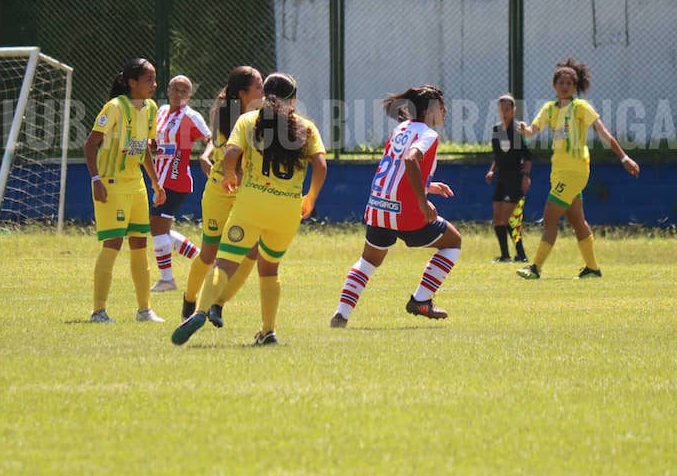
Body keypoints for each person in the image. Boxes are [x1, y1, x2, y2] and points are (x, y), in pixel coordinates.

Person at [172, 72, 327, 346]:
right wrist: (310, 197)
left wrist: (230, 175)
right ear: (294, 99)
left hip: (251, 204)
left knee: (224, 261)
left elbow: (231, 154)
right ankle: (268, 331)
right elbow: (321, 165)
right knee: (269, 270)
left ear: (266, 95)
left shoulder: (247, 120)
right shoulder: (306, 128)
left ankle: (201, 310)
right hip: (287, 210)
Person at [330, 84, 462, 328]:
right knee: (453, 242)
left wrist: (428, 187)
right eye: (442, 107)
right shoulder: (428, 135)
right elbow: (410, 160)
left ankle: (341, 315)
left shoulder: (401, 128)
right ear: (431, 109)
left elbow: (395, 168)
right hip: (406, 212)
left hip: (379, 205)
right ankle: (421, 300)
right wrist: (423, 203)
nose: (445, 112)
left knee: (368, 261)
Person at [516, 58, 640, 280]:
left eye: (569, 83)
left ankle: (535, 267)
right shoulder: (549, 109)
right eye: (561, 82)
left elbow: (604, 133)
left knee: (549, 217)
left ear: (575, 87)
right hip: (559, 172)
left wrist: (624, 157)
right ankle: (592, 268)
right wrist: (525, 129)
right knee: (576, 220)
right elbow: (534, 129)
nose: (565, 86)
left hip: (575, 171)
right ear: (554, 85)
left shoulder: (580, 108)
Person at [84, 57, 167, 323]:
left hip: (137, 186)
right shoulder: (115, 107)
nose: (154, 84)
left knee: (140, 244)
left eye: (154, 79)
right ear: (132, 83)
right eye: (148, 80)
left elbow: (143, 150)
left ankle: (145, 310)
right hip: (111, 184)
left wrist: (155, 182)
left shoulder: (152, 108)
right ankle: (98, 311)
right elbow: (89, 145)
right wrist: (96, 179)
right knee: (113, 244)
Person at [180, 66, 264, 321]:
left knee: (251, 251)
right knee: (209, 253)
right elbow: (230, 156)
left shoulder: (262, 117)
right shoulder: (227, 115)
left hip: (245, 194)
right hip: (220, 190)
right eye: (259, 86)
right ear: (242, 93)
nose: (264, 89)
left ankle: (218, 303)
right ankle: (189, 300)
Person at [149, 75, 213, 292]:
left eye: (184, 91)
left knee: (158, 228)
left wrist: (205, 156)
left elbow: (210, 138)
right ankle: (204, 262)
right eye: (175, 89)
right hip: (159, 176)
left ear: (189, 96)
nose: (178, 94)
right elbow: (155, 142)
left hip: (176, 178)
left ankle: (167, 279)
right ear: (168, 90)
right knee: (159, 229)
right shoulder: (162, 111)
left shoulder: (192, 116)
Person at [485, 93, 531, 263]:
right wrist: (492, 171)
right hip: (501, 177)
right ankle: (505, 255)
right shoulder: (497, 130)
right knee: (497, 217)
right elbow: (497, 156)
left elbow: (528, 157)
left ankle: (521, 254)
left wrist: (525, 176)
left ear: (513, 110)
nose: (504, 112)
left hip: (515, 177)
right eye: (501, 109)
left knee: (509, 218)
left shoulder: (518, 130)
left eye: (507, 109)